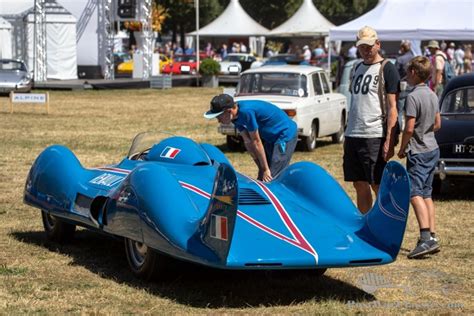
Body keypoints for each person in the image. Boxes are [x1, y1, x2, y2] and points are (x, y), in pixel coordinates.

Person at [343, 26, 400, 213]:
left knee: (377, 184)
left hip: (374, 134)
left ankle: (384, 223)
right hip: (353, 133)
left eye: (369, 46)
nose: (366, 51)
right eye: (362, 47)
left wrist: (389, 140)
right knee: (359, 183)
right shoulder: (358, 67)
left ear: (378, 44)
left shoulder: (387, 68)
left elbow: (393, 108)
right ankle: (365, 223)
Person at [397, 56, 441, 259]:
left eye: (408, 71)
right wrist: (427, 132)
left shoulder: (413, 97)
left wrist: (402, 147)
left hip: (419, 150)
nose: (406, 74)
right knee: (426, 194)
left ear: (414, 73)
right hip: (433, 148)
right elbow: (438, 123)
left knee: (414, 193)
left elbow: (409, 127)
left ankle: (425, 239)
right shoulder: (432, 94)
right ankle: (432, 234)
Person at [204, 94, 297, 182]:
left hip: (284, 134)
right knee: (263, 175)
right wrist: (261, 167)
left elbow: (256, 141)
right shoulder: (236, 118)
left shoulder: (246, 112)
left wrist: (265, 169)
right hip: (271, 138)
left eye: (219, 116)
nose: (218, 120)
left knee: (272, 177)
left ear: (229, 111)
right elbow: (248, 142)